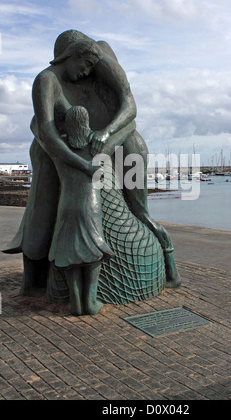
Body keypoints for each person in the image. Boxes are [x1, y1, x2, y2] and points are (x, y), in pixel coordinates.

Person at [3, 30, 180, 295]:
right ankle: (34, 272)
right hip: (69, 138)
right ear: (69, 56)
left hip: (113, 132)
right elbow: (44, 128)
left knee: (135, 156)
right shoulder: (48, 79)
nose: (86, 73)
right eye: (84, 66)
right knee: (44, 180)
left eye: (90, 68)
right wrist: (77, 160)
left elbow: (129, 107)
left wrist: (106, 135)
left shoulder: (101, 59)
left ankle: (146, 227)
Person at [49, 105, 115, 315]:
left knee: (71, 251)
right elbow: (127, 130)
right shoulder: (97, 146)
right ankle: (91, 301)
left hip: (66, 204)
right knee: (93, 249)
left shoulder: (59, 147)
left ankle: (75, 302)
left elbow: (38, 129)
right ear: (86, 123)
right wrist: (107, 132)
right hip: (90, 204)